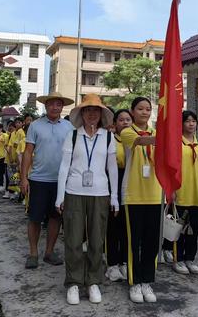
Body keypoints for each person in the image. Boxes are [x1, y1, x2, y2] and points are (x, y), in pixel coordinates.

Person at [56, 94, 118, 305]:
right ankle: (73, 282)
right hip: (74, 192)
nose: (92, 114)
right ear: (81, 114)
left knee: (96, 239)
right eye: (88, 110)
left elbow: (112, 169)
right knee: (73, 239)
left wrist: (115, 197)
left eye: (96, 110)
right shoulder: (73, 136)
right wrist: (59, 196)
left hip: (100, 194)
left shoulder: (108, 137)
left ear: (101, 114)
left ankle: (93, 281)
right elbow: (64, 166)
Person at [21, 92, 74, 269]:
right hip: (38, 179)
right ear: (46, 106)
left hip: (61, 181)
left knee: (55, 217)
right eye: (51, 104)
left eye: (58, 104)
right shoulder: (35, 126)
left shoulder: (69, 127)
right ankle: (33, 253)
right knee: (35, 218)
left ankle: (49, 252)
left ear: (62, 107)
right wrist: (24, 178)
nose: (54, 107)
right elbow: (28, 152)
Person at [121, 97, 161, 304]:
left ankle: (147, 280)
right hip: (133, 195)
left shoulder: (157, 134)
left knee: (152, 242)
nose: (145, 112)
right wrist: (168, 136)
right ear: (133, 111)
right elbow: (141, 142)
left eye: (148, 109)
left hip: (155, 194)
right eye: (140, 109)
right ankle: (134, 282)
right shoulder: (128, 132)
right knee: (133, 241)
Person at [172, 110, 198, 275]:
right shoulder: (176, 143)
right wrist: (171, 189)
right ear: (181, 124)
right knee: (178, 228)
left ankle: (190, 258)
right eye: (187, 121)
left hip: (196, 193)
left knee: (194, 228)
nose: (191, 124)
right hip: (181, 192)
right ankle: (178, 259)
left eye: (193, 121)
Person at [105, 108, 132, 282]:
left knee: (126, 226)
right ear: (114, 123)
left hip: (131, 183)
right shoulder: (108, 139)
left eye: (128, 120)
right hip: (112, 181)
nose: (125, 123)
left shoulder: (136, 140)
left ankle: (124, 261)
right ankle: (112, 264)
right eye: (121, 120)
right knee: (113, 225)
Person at [3, 120, 16, 199]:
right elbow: (6, 146)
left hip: (14, 161)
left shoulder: (16, 135)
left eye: (12, 127)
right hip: (8, 160)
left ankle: (12, 192)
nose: (10, 128)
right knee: (8, 177)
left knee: (14, 177)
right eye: (9, 127)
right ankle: (8, 191)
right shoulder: (9, 136)